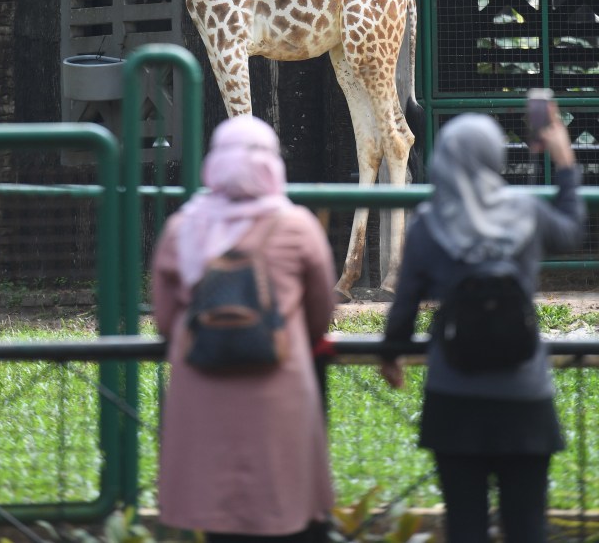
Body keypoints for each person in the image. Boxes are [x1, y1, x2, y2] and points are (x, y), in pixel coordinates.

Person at [380, 106, 586, 543]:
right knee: (528, 526)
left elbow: (403, 310)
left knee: (466, 525)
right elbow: (571, 231)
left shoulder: (428, 223)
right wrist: (565, 164)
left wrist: (390, 355)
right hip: (525, 395)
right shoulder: (524, 211)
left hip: (454, 396)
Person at [152, 114, 337, 543]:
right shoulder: (296, 228)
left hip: (202, 390)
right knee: (283, 507)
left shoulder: (182, 229)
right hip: (279, 388)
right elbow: (319, 314)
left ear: (216, 163)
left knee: (220, 517)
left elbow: (164, 320)